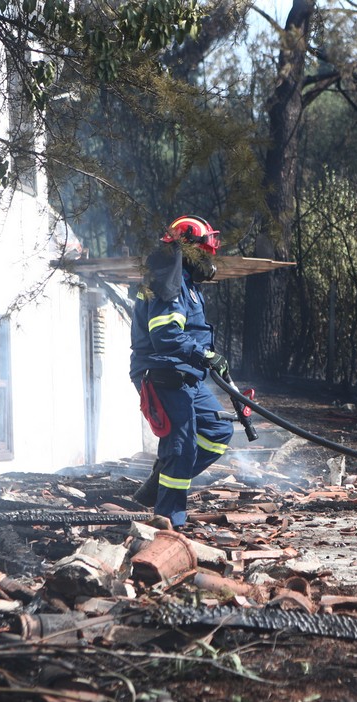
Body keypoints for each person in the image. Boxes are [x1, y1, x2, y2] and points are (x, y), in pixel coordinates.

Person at [129, 215, 235, 528]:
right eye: (205, 250)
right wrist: (203, 353)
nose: (210, 259)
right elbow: (165, 336)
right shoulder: (168, 282)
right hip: (165, 374)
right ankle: (168, 522)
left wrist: (208, 357)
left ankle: (160, 482)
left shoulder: (183, 282)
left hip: (186, 375)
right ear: (187, 247)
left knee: (218, 432)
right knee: (181, 447)